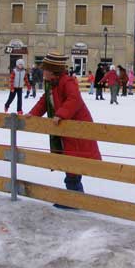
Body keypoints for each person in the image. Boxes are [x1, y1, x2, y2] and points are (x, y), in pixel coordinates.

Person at [26, 52, 102, 209]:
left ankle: (75, 200)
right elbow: (44, 101)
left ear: (53, 70)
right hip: (66, 131)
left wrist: (60, 114)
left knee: (72, 168)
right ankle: (74, 199)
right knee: (70, 166)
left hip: (77, 130)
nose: (42, 72)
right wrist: (32, 115)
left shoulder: (67, 82)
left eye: (45, 69)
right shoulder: (51, 84)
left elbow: (74, 99)